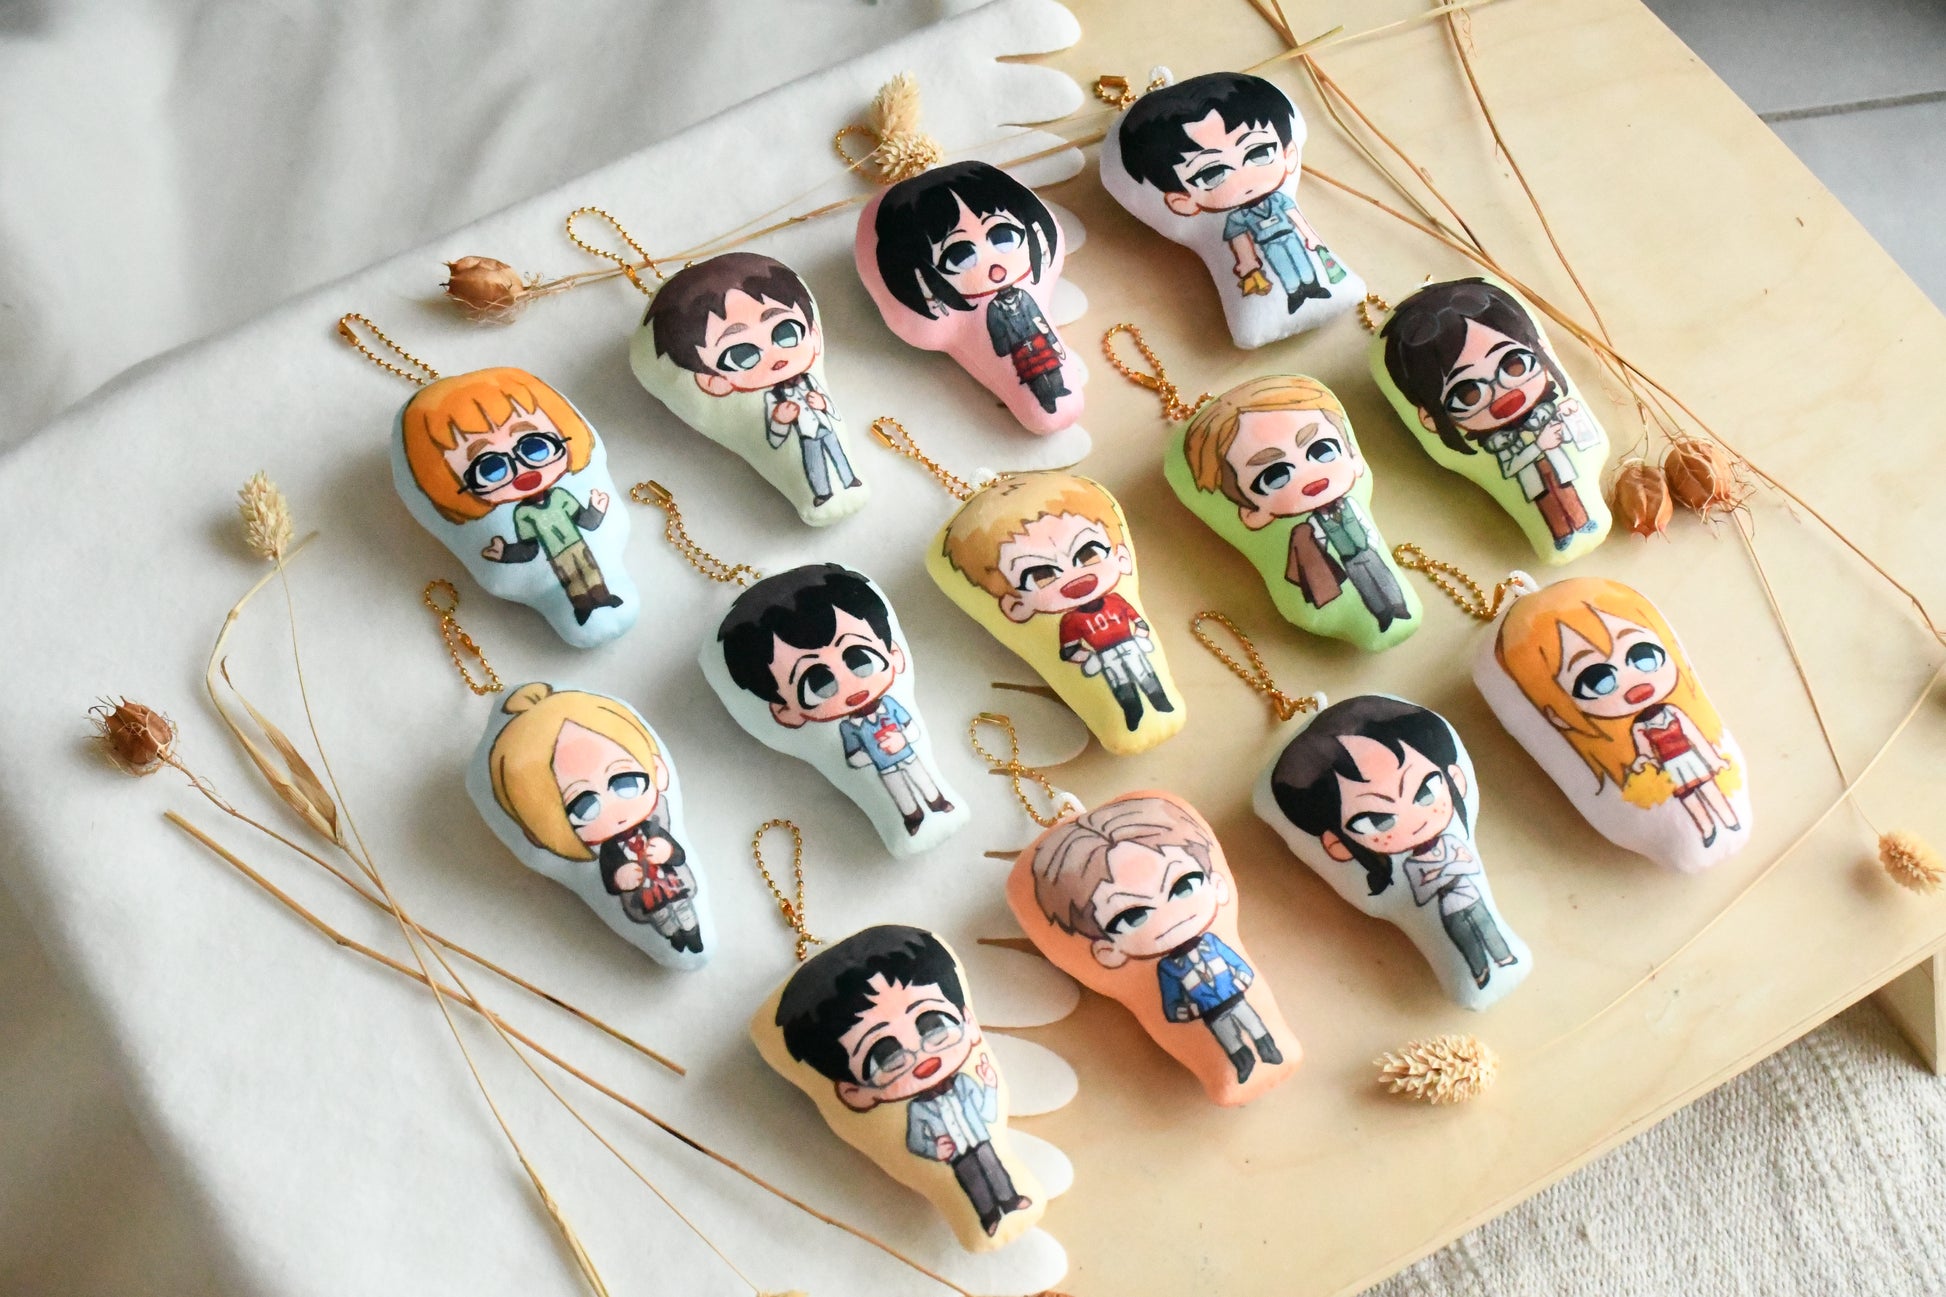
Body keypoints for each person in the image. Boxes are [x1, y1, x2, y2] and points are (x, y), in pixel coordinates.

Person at [777, 926, 1031, 1238]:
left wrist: (989, 1084)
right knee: (970, 1180)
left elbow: (986, 1105)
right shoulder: (918, 1112)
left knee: (992, 1165)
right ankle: (989, 1215)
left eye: (933, 1024)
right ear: (853, 1093)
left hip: (979, 1139)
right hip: (956, 1155)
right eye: (885, 1053)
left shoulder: (965, 1087)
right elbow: (915, 1142)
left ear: (967, 1021)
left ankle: (1010, 1199)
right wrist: (936, 1149)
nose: (920, 1054)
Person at [1026, 796, 1282, 1084]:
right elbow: (1171, 998)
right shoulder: (1168, 969)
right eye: (1132, 915)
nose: (1169, 913)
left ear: (1218, 886)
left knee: (1251, 1020)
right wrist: (1182, 1012)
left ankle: (1268, 1047)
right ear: (1107, 950)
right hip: (1208, 1011)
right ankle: (1241, 1062)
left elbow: (1235, 963)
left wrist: (1242, 977)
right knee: (1226, 1036)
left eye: (1185, 884)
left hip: (1232, 993)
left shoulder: (1211, 945)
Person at [1269, 697, 1516, 990]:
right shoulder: (1407, 872)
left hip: (1465, 895)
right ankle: (1480, 971)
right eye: (1377, 820)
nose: (1412, 818)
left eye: (1425, 791)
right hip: (1448, 907)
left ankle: (1501, 959)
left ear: (1456, 778)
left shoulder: (1451, 844)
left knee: (1481, 925)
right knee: (1460, 933)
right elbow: (1420, 892)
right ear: (1337, 845)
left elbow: (1460, 865)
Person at [1495, 579, 1742, 847]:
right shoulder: (1639, 728)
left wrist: (1714, 758)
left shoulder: (1673, 712)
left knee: (1707, 787)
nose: (1633, 683)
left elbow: (1697, 736)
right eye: (1598, 679)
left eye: (1644, 655)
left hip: (1690, 759)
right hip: (1671, 767)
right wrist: (1640, 764)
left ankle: (1728, 819)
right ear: (1557, 715)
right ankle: (1707, 829)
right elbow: (1644, 751)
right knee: (1688, 796)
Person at [718, 564, 954, 837]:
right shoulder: (848, 729)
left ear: (895, 656)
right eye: (819, 682)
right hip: (884, 767)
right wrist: (871, 753)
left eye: (860, 660)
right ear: (785, 712)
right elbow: (854, 759)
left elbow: (910, 729)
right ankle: (912, 817)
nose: (845, 681)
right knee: (896, 788)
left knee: (920, 776)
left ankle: (938, 802)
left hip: (908, 754)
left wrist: (901, 740)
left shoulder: (889, 706)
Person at [1380, 279, 1605, 550]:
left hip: (1561, 465)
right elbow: (1509, 467)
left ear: (1542, 351)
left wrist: (1571, 416)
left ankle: (1581, 521)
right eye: (1468, 394)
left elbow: (1582, 436)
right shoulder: (1500, 444)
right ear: (1429, 419)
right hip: (1531, 480)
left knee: (1564, 486)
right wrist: (1540, 445)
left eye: (1514, 364)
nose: (1502, 393)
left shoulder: (1548, 415)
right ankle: (1561, 534)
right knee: (1544, 499)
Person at [942, 473, 1173, 731]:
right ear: (1015, 606)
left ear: (1122, 558)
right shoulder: (1071, 621)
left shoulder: (1117, 601)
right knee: (1120, 684)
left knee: (1145, 673)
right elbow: (1069, 649)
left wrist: (1140, 635)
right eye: (1041, 574)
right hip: (1104, 657)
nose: (1074, 577)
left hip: (1129, 646)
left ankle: (1160, 702)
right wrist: (1089, 658)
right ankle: (1133, 713)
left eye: (1089, 553)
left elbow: (1137, 621)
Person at [1183, 375, 1411, 631]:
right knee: (1364, 583)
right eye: (1274, 476)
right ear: (1250, 513)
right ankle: (1383, 613)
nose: (1308, 476)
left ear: (1354, 457)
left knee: (1381, 574)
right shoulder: (1310, 525)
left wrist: (1372, 542)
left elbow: (1363, 524)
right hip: (1349, 558)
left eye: (1323, 449)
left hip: (1365, 549)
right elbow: (1320, 539)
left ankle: (1398, 606)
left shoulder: (1351, 506)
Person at [486, 683, 702, 953]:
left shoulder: (654, 827)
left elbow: (677, 853)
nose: (612, 809)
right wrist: (621, 878)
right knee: (663, 919)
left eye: (626, 783)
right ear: (540, 834)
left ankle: (692, 934)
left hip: (671, 883)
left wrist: (667, 851)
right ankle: (676, 939)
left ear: (657, 769)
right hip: (645, 896)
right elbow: (609, 876)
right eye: (584, 806)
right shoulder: (610, 850)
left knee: (683, 910)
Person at [399, 367, 623, 624]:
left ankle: (603, 597)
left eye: (535, 447)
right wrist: (504, 553)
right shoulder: (524, 514)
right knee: (567, 576)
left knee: (589, 567)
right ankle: (582, 606)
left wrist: (596, 509)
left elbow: (584, 520)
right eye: (491, 468)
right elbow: (529, 548)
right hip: (555, 556)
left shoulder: (561, 496)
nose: (521, 470)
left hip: (579, 545)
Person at [644, 252, 862, 506]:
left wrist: (822, 404)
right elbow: (775, 437)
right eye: (742, 354)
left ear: (813, 334)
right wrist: (780, 420)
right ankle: (822, 494)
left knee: (835, 450)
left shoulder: (810, 382)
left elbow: (826, 414)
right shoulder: (772, 400)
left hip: (822, 428)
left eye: (786, 331)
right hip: (806, 437)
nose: (774, 354)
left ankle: (849, 481)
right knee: (813, 460)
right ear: (712, 382)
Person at [1119, 71, 1338, 313]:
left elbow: (1295, 218)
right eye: (1211, 173)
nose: (1245, 177)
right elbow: (1239, 241)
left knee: (1301, 260)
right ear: (1182, 201)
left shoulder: (1279, 201)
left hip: (1290, 237)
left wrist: (1311, 238)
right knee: (1282, 267)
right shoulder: (1237, 219)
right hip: (1269, 246)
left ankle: (1313, 286)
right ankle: (1296, 293)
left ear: (1289, 156)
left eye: (1259, 152)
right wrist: (1248, 264)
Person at [873, 161, 1070, 413]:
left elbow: (1036, 318)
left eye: (1004, 236)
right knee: (1030, 371)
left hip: (1036, 341)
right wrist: (1002, 349)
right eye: (960, 256)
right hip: (1019, 349)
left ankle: (1057, 389)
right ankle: (1045, 398)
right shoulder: (993, 309)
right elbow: (997, 335)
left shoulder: (1023, 296)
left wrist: (1051, 340)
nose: (995, 268)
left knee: (1048, 363)